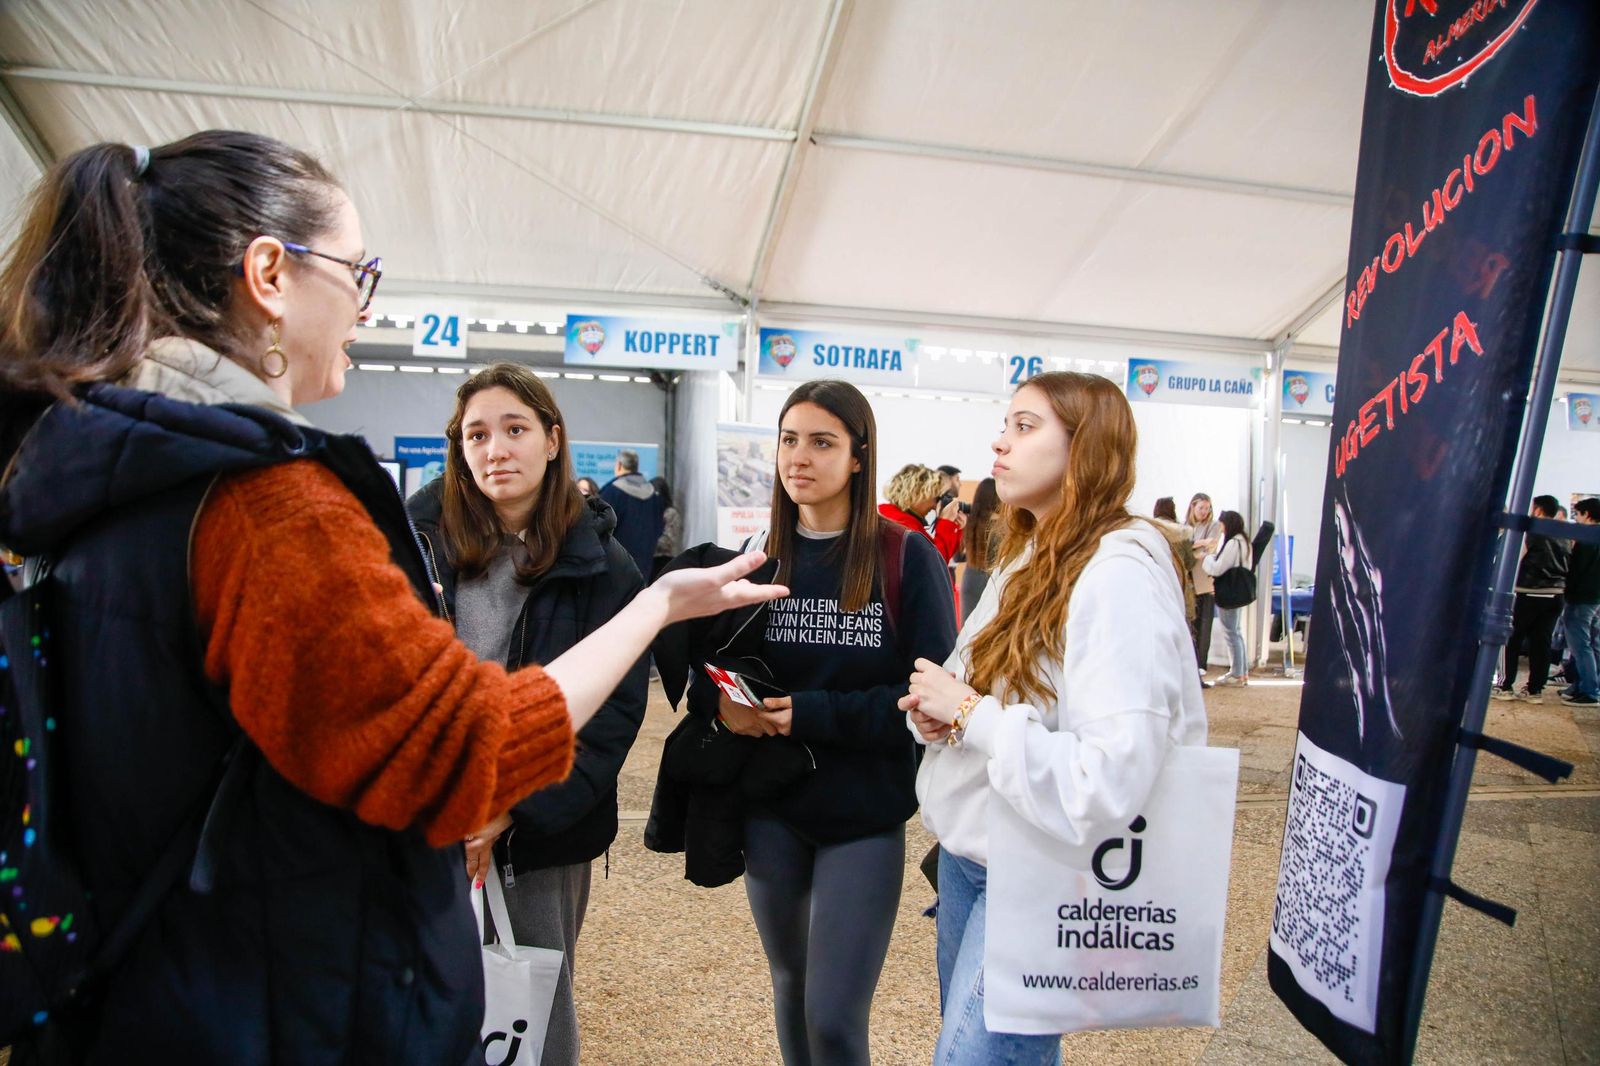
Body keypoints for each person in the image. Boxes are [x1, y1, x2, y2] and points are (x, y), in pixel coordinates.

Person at [0, 132, 784, 1063]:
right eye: (357, 271)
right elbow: (465, 751)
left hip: (149, 981)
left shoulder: (96, 471)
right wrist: (654, 607)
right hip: (260, 999)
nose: (364, 310)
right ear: (270, 275)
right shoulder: (263, 505)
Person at [901, 372, 1206, 1066]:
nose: (999, 443)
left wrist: (970, 713)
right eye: (1005, 425)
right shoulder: (1030, 554)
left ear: (1087, 447)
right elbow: (987, 693)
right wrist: (941, 715)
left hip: (1043, 867)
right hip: (972, 856)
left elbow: (1108, 779)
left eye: (1025, 426)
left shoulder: (1117, 572)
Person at [709, 380, 958, 1066]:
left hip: (864, 811)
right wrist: (727, 705)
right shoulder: (760, 557)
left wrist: (813, 714)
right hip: (772, 806)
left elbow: (932, 697)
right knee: (790, 993)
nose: (800, 457)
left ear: (858, 456)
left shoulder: (906, 557)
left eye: (822, 442)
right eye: (789, 440)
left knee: (835, 1017)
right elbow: (722, 667)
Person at [406, 363, 647, 1066]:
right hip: (425, 822)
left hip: (541, 835)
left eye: (514, 429)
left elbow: (609, 720)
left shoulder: (606, 568)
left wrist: (511, 808)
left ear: (552, 439)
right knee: (421, 1000)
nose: (495, 449)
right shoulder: (412, 547)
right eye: (477, 434)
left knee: (529, 1011)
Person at [1495, 494, 1570, 704]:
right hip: (1555, 595)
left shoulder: (1529, 533)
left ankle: (1505, 685)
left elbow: (1514, 562)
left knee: (1511, 639)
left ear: (1537, 510)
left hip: (1527, 593)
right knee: (1542, 642)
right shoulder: (1564, 533)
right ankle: (1535, 690)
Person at [1202, 510, 1253, 686]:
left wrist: (1207, 558)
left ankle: (1237, 673)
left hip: (1228, 593)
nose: (1221, 528)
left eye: (1222, 524)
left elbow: (1218, 569)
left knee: (1231, 633)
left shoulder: (1233, 543)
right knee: (1236, 632)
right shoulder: (1245, 542)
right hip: (1239, 591)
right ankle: (1242, 672)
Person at [880, 462, 965, 564]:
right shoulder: (902, 525)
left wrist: (954, 527)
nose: (935, 506)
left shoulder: (893, 515)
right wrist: (946, 523)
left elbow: (941, 559)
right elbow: (933, 563)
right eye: (936, 497)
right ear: (917, 494)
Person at [599, 448, 665, 577]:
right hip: (645, 566)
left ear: (619, 465)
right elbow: (659, 528)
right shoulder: (654, 495)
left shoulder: (611, 492)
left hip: (614, 568)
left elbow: (600, 528)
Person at [1560, 498, 1599, 706]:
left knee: (1580, 646)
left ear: (1587, 515)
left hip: (1581, 598)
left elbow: (1575, 571)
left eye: (1578, 514)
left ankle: (1589, 690)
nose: (1576, 518)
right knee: (1592, 644)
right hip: (1596, 599)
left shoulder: (1585, 539)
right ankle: (1582, 685)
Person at [1186, 493, 1223, 683]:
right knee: (1189, 623)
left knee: (1204, 623)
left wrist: (1192, 547)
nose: (1204, 512)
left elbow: (1209, 550)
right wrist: (1198, 545)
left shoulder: (1214, 526)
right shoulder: (1185, 525)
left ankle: (1201, 664)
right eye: (1201, 508)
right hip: (1188, 579)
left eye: (1207, 508)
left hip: (1204, 580)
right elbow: (1186, 549)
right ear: (1193, 506)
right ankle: (1189, 663)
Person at [959, 478, 1002, 625]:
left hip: (970, 578)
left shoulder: (970, 522)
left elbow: (959, 555)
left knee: (969, 631)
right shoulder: (1003, 526)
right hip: (993, 582)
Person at [651, 475, 684, 582]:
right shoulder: (649, 512)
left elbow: (668, 541)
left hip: (663, 560)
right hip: (648, 559)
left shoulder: (670, 513)